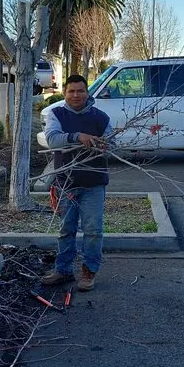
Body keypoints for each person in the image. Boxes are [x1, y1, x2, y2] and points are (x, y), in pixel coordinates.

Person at [41, 74, 114, 291]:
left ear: (87, 93)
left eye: (80, 91)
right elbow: (53, 139)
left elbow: (113, 144)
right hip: (66, 183)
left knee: (93, 231)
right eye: (71, 91)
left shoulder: (101, 118)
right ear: (65, 93)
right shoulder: (57, 114)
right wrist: (77, 136)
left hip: (94, 183)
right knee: (66, 230)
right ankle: (63, 270)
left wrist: (105, 146)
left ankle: (89, 272)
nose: (76, 95)